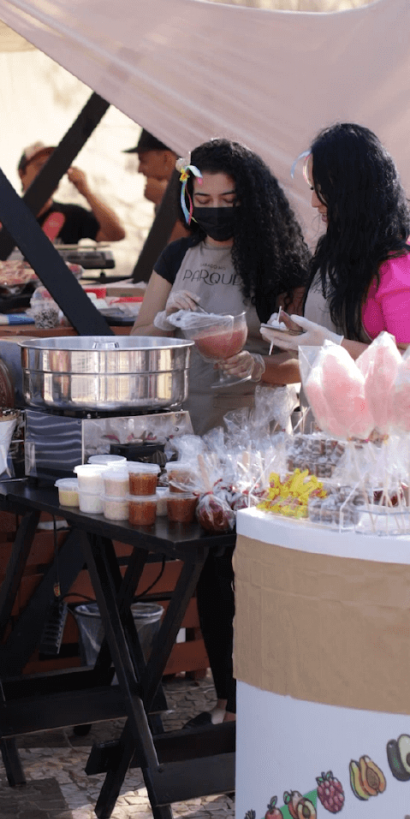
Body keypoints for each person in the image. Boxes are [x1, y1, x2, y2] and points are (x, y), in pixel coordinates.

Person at [133, 137, 311, 727]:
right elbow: (140, 343)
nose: (213, 209)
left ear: (251, 200)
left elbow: (303, 361)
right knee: (210, 569)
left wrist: (259, 365)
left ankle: (269, 698)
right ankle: (226, 702)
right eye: (202, 197)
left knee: (257, 569)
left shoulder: (282, 265)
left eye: (227, 199)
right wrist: (165, 318)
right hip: (194, 437)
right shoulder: (174, 258)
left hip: (258, 437)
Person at [263, 122, 410, 356]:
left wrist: (330, 343)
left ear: (356, 190)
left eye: (323, 190)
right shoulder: (334, 249)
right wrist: (298, 334)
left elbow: (406, 359)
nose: (314, 202)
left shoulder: (398, 263)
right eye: (312, 188)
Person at [0, 141, 126, 257]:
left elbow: (116, 234)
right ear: (21, 174)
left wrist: (86, 191)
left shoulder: (74, 215)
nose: (49, 173)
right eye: (41, 166)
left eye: (55, 167)